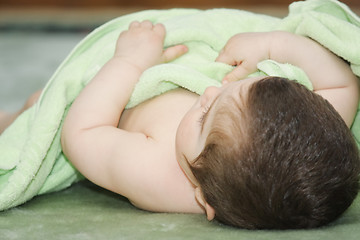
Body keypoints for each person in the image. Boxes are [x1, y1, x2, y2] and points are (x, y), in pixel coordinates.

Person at [1, 20, 359, 229]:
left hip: (115, 97)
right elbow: (344, 84)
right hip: (193, 60)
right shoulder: (311, 138)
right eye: (235, 87)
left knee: (39, 109)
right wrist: (272, 45)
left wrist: (128, 62)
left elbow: (81, 134)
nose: (209, 91)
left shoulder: (156, 171)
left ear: (203, 198)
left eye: (204, 117)